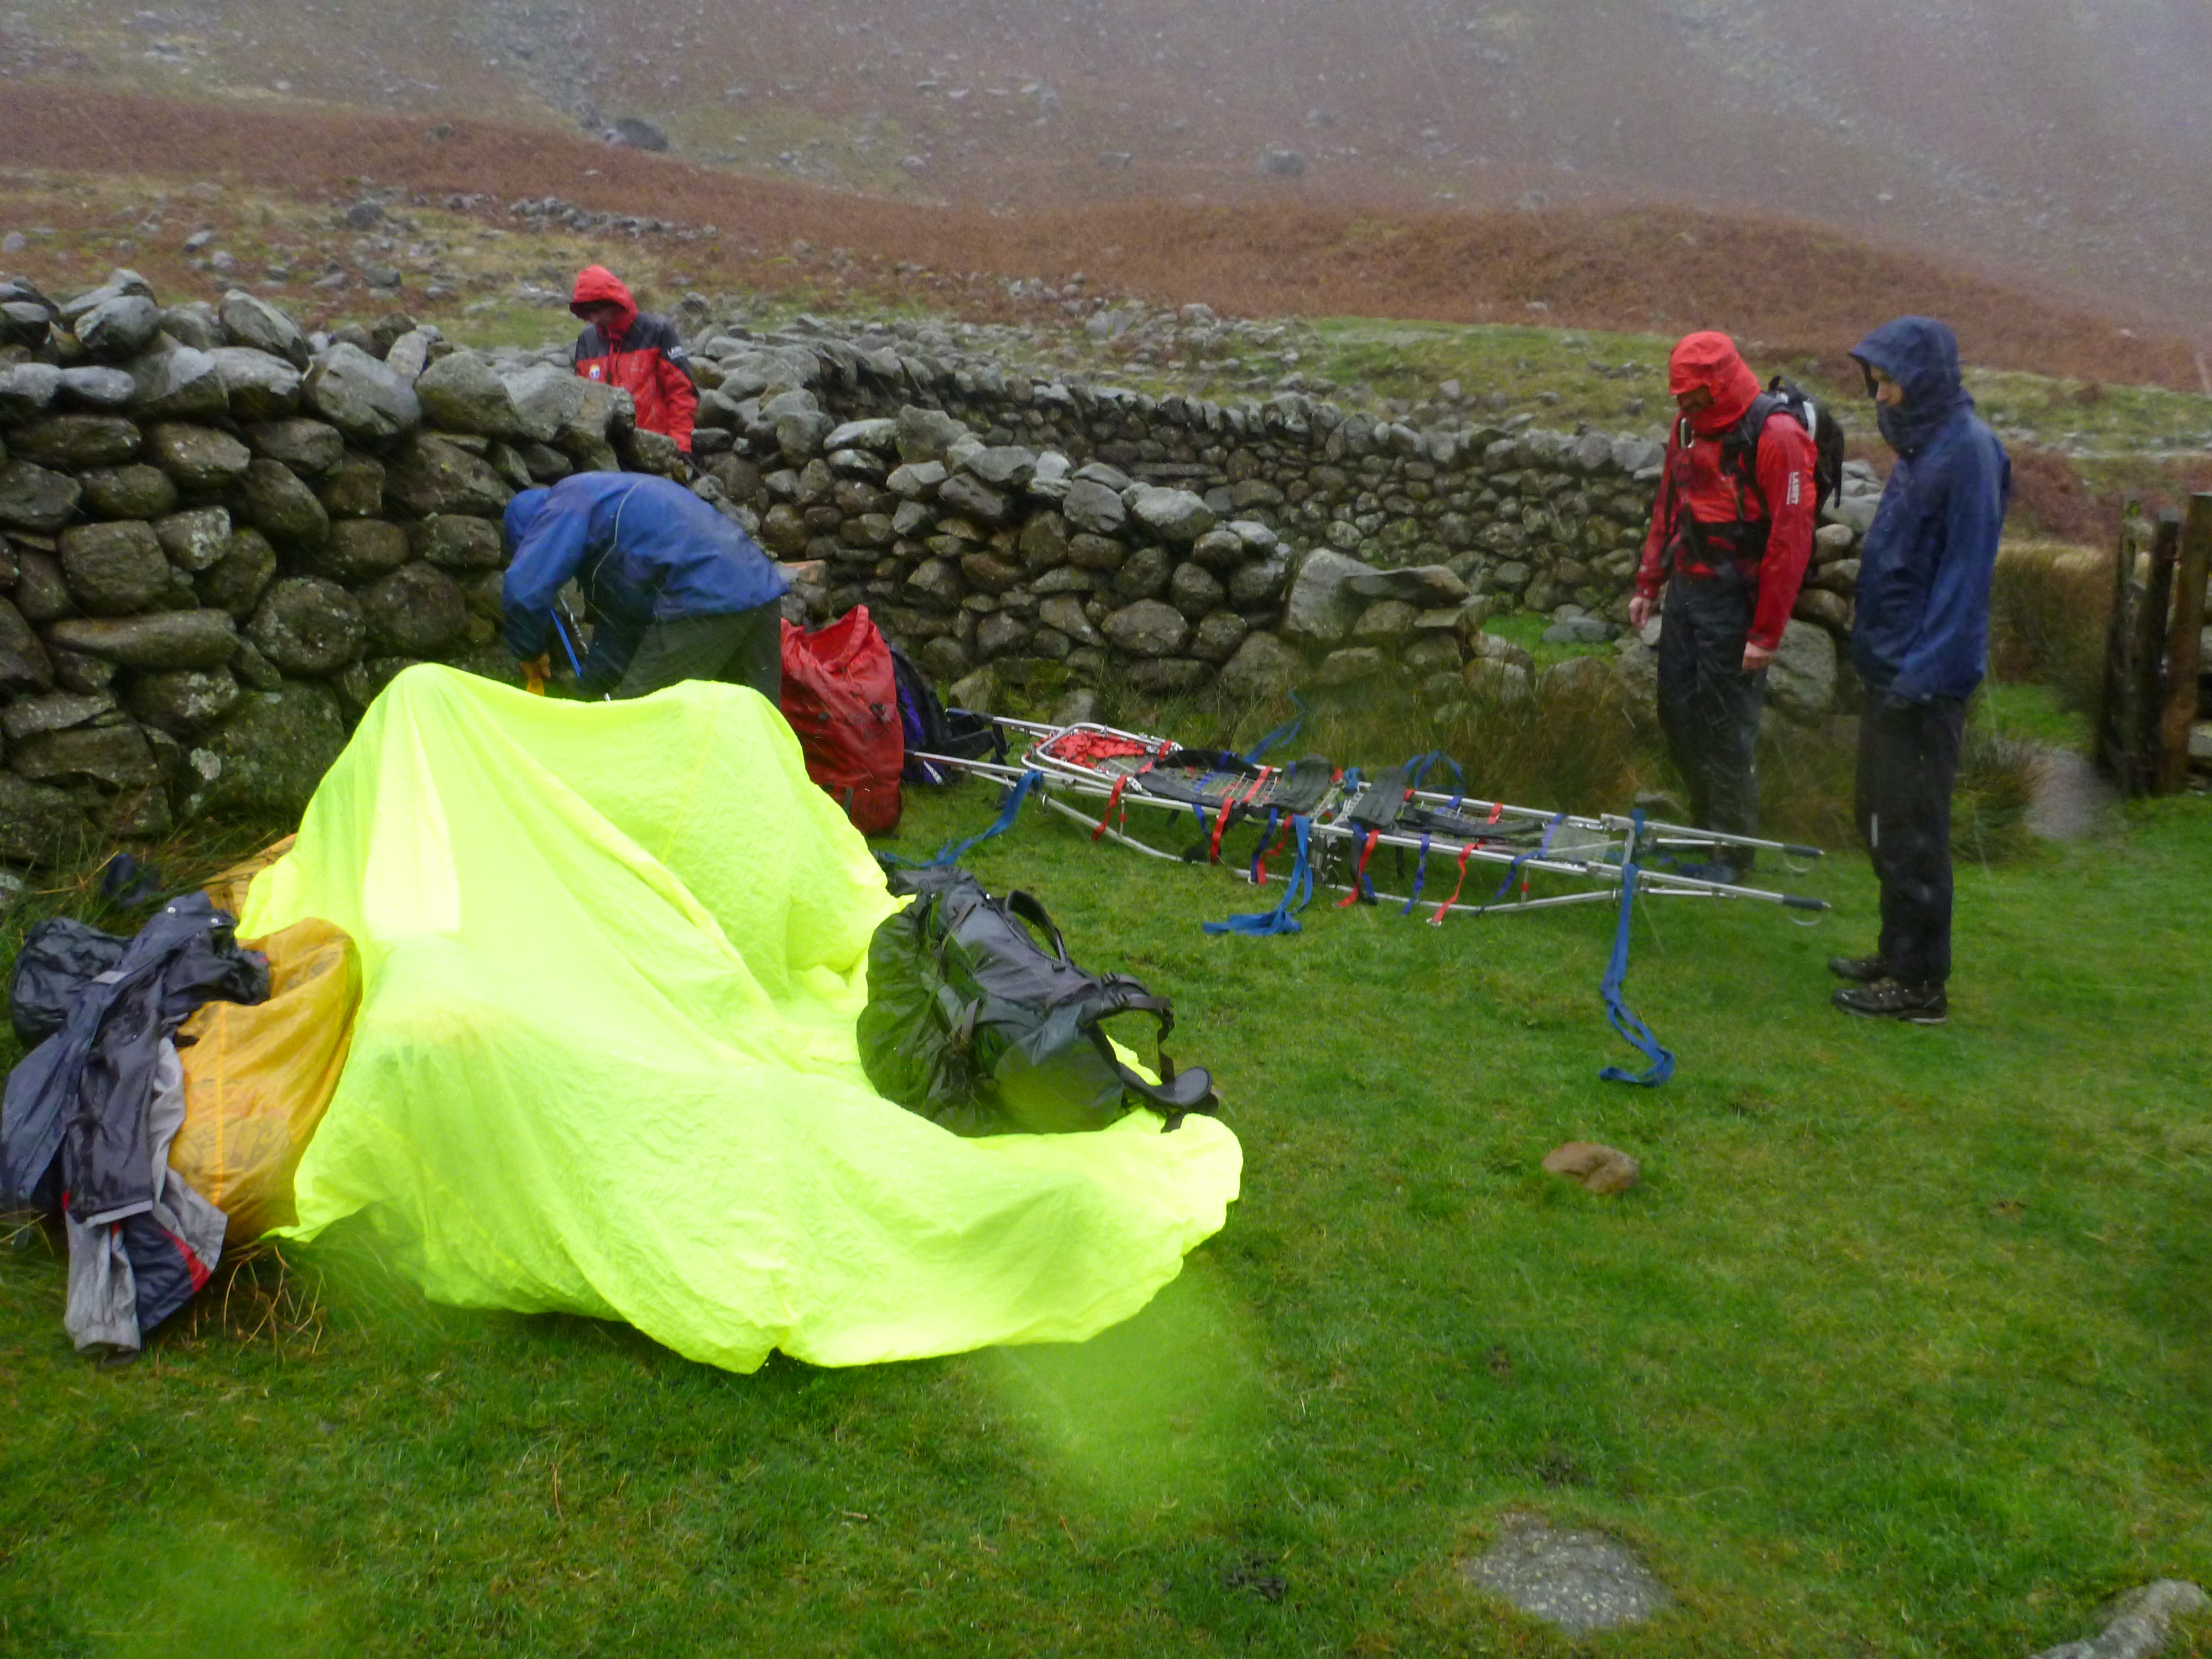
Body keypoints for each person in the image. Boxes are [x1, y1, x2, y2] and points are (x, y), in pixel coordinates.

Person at [1828, 316, 2010, 1025]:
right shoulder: (1921, 447)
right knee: (1875, 814)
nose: (1883, 395)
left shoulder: (1968, 453)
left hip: (1924, 682)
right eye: (1876, 382)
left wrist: (1923, 675)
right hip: (1890, 670)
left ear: (1924, 376)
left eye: (1891, 380)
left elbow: (1963, 581)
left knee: (1912, 829)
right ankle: (1895, 949)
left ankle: (1919, 984)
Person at [1628, 332, 1818, 879]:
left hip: (1739, 599)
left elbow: (1790, 540)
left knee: (1728, 727)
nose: (1683, 406)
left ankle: (1733, 855)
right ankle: (1703, 830)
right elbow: (1670, 504)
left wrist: (1766, 633)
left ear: (1718, 386)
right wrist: (1648, 584)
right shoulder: (1687, 426)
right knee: (1677, 712)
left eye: (1693, 396)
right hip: (1688, 591)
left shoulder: (1777, 436)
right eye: (1678, 397)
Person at [502, 473, 789, 701]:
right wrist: (586, 694)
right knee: (753, 723)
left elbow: (525, 589)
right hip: (756, 585)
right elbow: (621, 627)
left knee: (646, 720)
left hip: (704, 595)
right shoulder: (608, 508)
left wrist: (530, 652)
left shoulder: (564, 503)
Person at [569, 265, 698, 454]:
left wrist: (679, 447)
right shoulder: (587, 340)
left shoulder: (657, 332)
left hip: (654, 449)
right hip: (604, 454)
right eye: (588, 311)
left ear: (613, 302)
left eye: (596, 309)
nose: (593, 318)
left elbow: (681, 393)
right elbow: (581, 400)